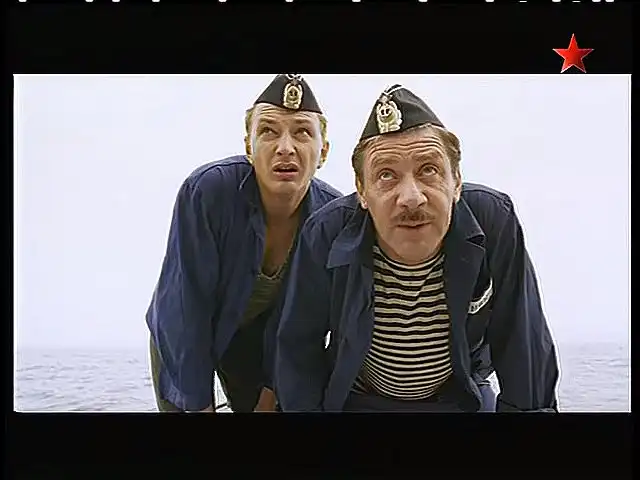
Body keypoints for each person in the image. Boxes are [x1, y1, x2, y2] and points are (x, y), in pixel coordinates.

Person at [274, 84, 560, 412]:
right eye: (386, 175)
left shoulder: (493, 220)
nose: (411, 197)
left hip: (459, 394)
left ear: (456, 181)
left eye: (429, 170)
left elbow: (521, 336)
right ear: (362, 192)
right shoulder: (326, 231)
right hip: (358, 396)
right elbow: (298, 345)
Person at [146, 74, 342, 413]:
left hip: (259, 342)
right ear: (249, 147)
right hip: (184, 335)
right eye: (268, 131)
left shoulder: (332, 219)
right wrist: (198, 405)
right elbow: (186, 305)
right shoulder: (207, 192)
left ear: (322, 151)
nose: (285, 147)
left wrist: (270, 394)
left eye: (302, 132)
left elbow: (301, 326)